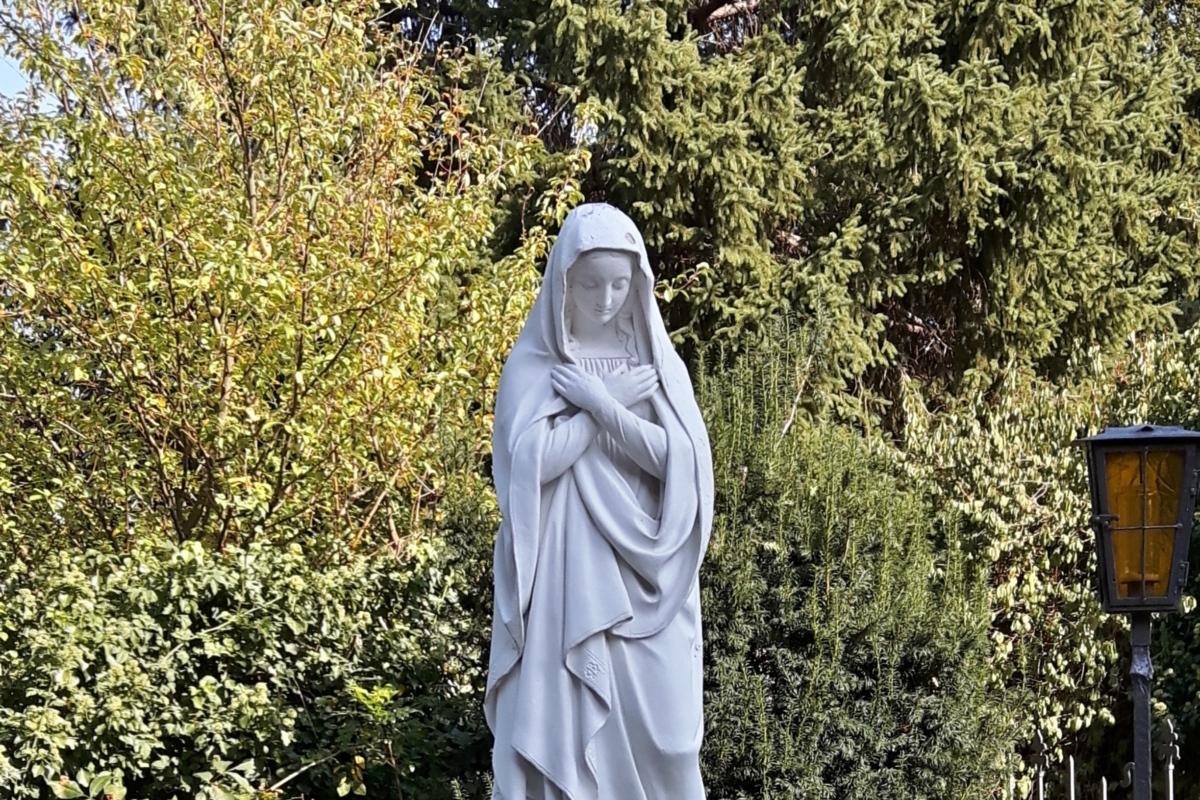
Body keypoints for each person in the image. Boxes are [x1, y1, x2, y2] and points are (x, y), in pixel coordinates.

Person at [486, 202, 714, 800]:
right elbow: (526, 472)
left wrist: (604, 404)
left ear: (638, 282)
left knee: (671, 745)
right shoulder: (535, 367)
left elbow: (680, 466)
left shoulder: (658, 365)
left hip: (653, 582)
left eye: (620, 283)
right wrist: (596, 403)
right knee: (570, 740)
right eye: (591, 283)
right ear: (564, 280)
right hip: (569, 591)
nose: (606, 298)